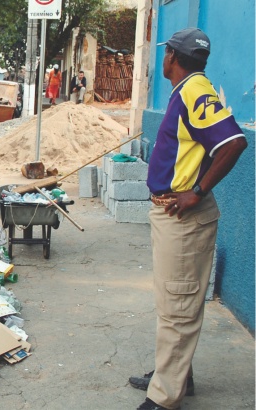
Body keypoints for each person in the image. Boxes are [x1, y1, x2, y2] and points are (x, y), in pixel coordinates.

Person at [130, 28, 248, 410]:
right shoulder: (187, 90)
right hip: (171, 214)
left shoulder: (195, 90)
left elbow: (233, 143)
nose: (162, 60)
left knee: (178, 306)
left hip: (183, 216)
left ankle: (165, 397)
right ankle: (178, 375)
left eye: (165, 55)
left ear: (173, 59)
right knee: (172, 301)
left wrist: (195, 193)